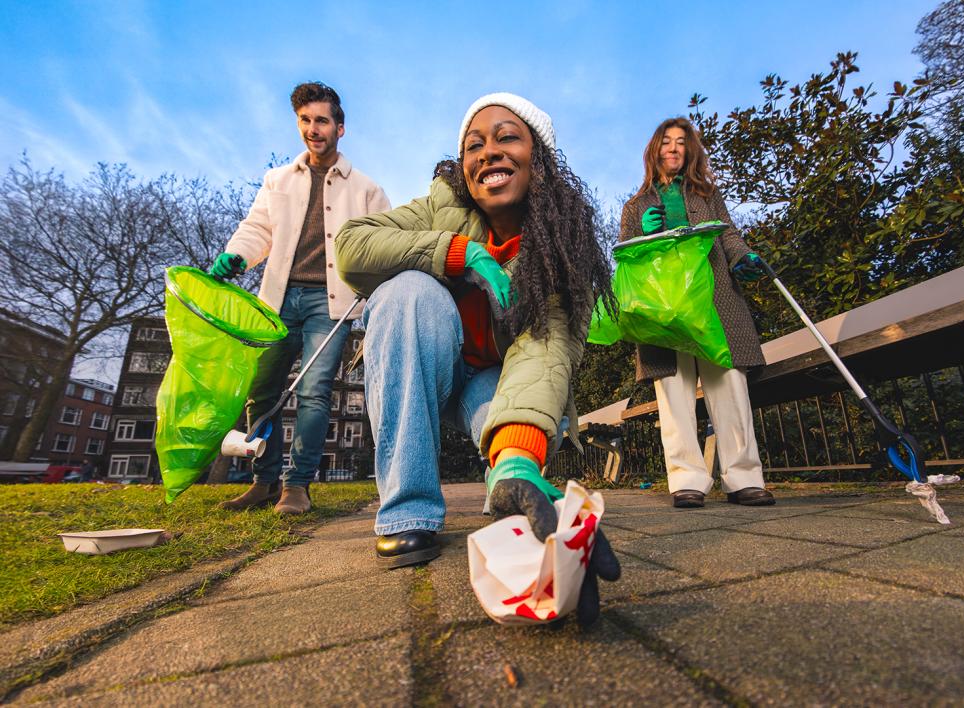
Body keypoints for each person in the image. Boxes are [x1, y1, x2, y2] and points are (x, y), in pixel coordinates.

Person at [336, 93, 620, 626]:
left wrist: (517, 458)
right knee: (406, 292)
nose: (488, 152)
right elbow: (353, 246)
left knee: (510, 435)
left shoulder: (563, 246)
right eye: (474, 144)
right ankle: (406, 513)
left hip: (494, 379)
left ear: (540, 159)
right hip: (427, 367)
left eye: (507, 137)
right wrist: (455, 252)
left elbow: (544, 355)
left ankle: (508, 486)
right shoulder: (442, 205)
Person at [212, 82, 390, 515]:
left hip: (329, 304)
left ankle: (297, 486)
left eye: (322, 121)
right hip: (275, 301)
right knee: (262, 390)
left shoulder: (365, 189)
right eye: (306, 121)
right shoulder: (278, 180)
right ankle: (264, 481)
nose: (314, 129)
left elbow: (384, 242)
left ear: (340, 128)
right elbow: (258, 229)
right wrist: (237, 256)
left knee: (313, 392)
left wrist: (373, 286)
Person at [619, 117, 774, 509]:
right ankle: (687, 479)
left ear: (689, 151)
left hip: (714, 298)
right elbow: (625, 256)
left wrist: (742, 257)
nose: (673, 148)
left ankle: (744, 478)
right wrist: (642, 233)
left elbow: (728, 234)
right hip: (664, 307)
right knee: (674, 391)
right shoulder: (635, 206)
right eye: (666, 142)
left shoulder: (706, 195)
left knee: (729, 384)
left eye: (681, 143)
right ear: (655, 151)